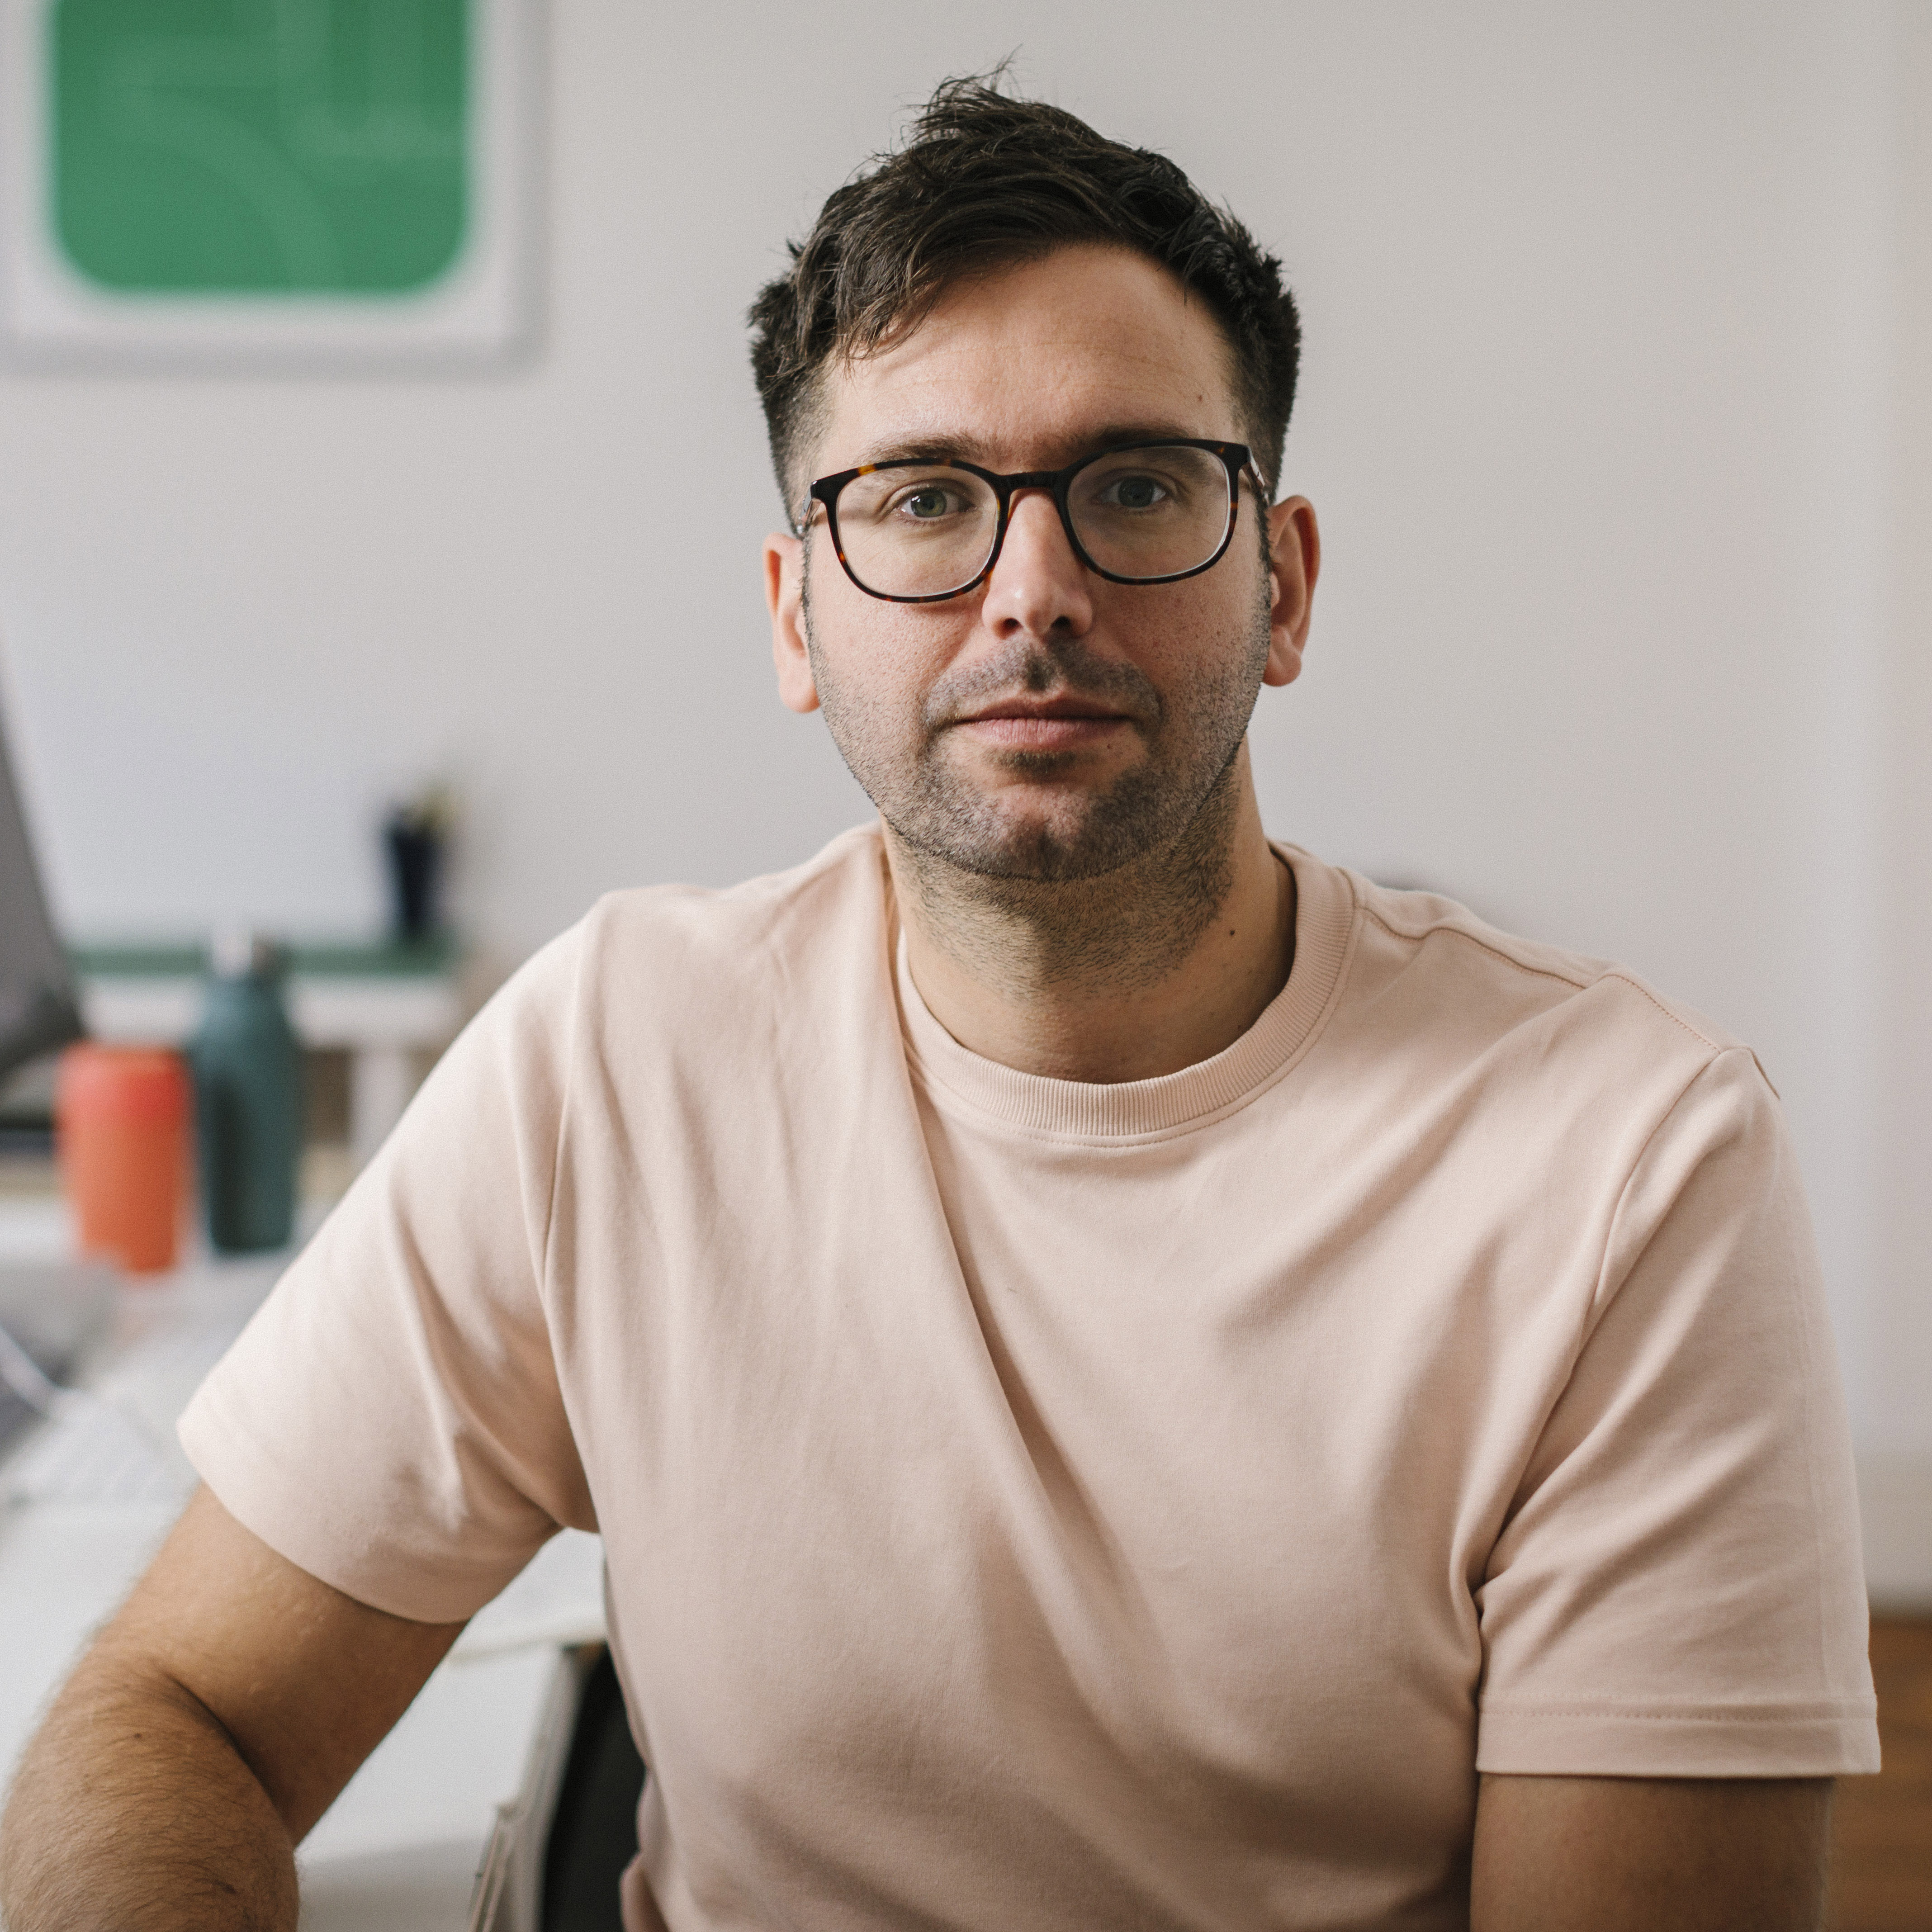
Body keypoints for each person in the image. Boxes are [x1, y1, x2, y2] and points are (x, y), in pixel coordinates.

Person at [0, 79, 1878, 1932]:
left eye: (1136, 485)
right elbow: (179, 1712)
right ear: (797, 617)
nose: (1032, 592)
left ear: (1283, 590)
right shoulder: (616, 1059)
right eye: (922, 500)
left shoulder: (1636, 1163)